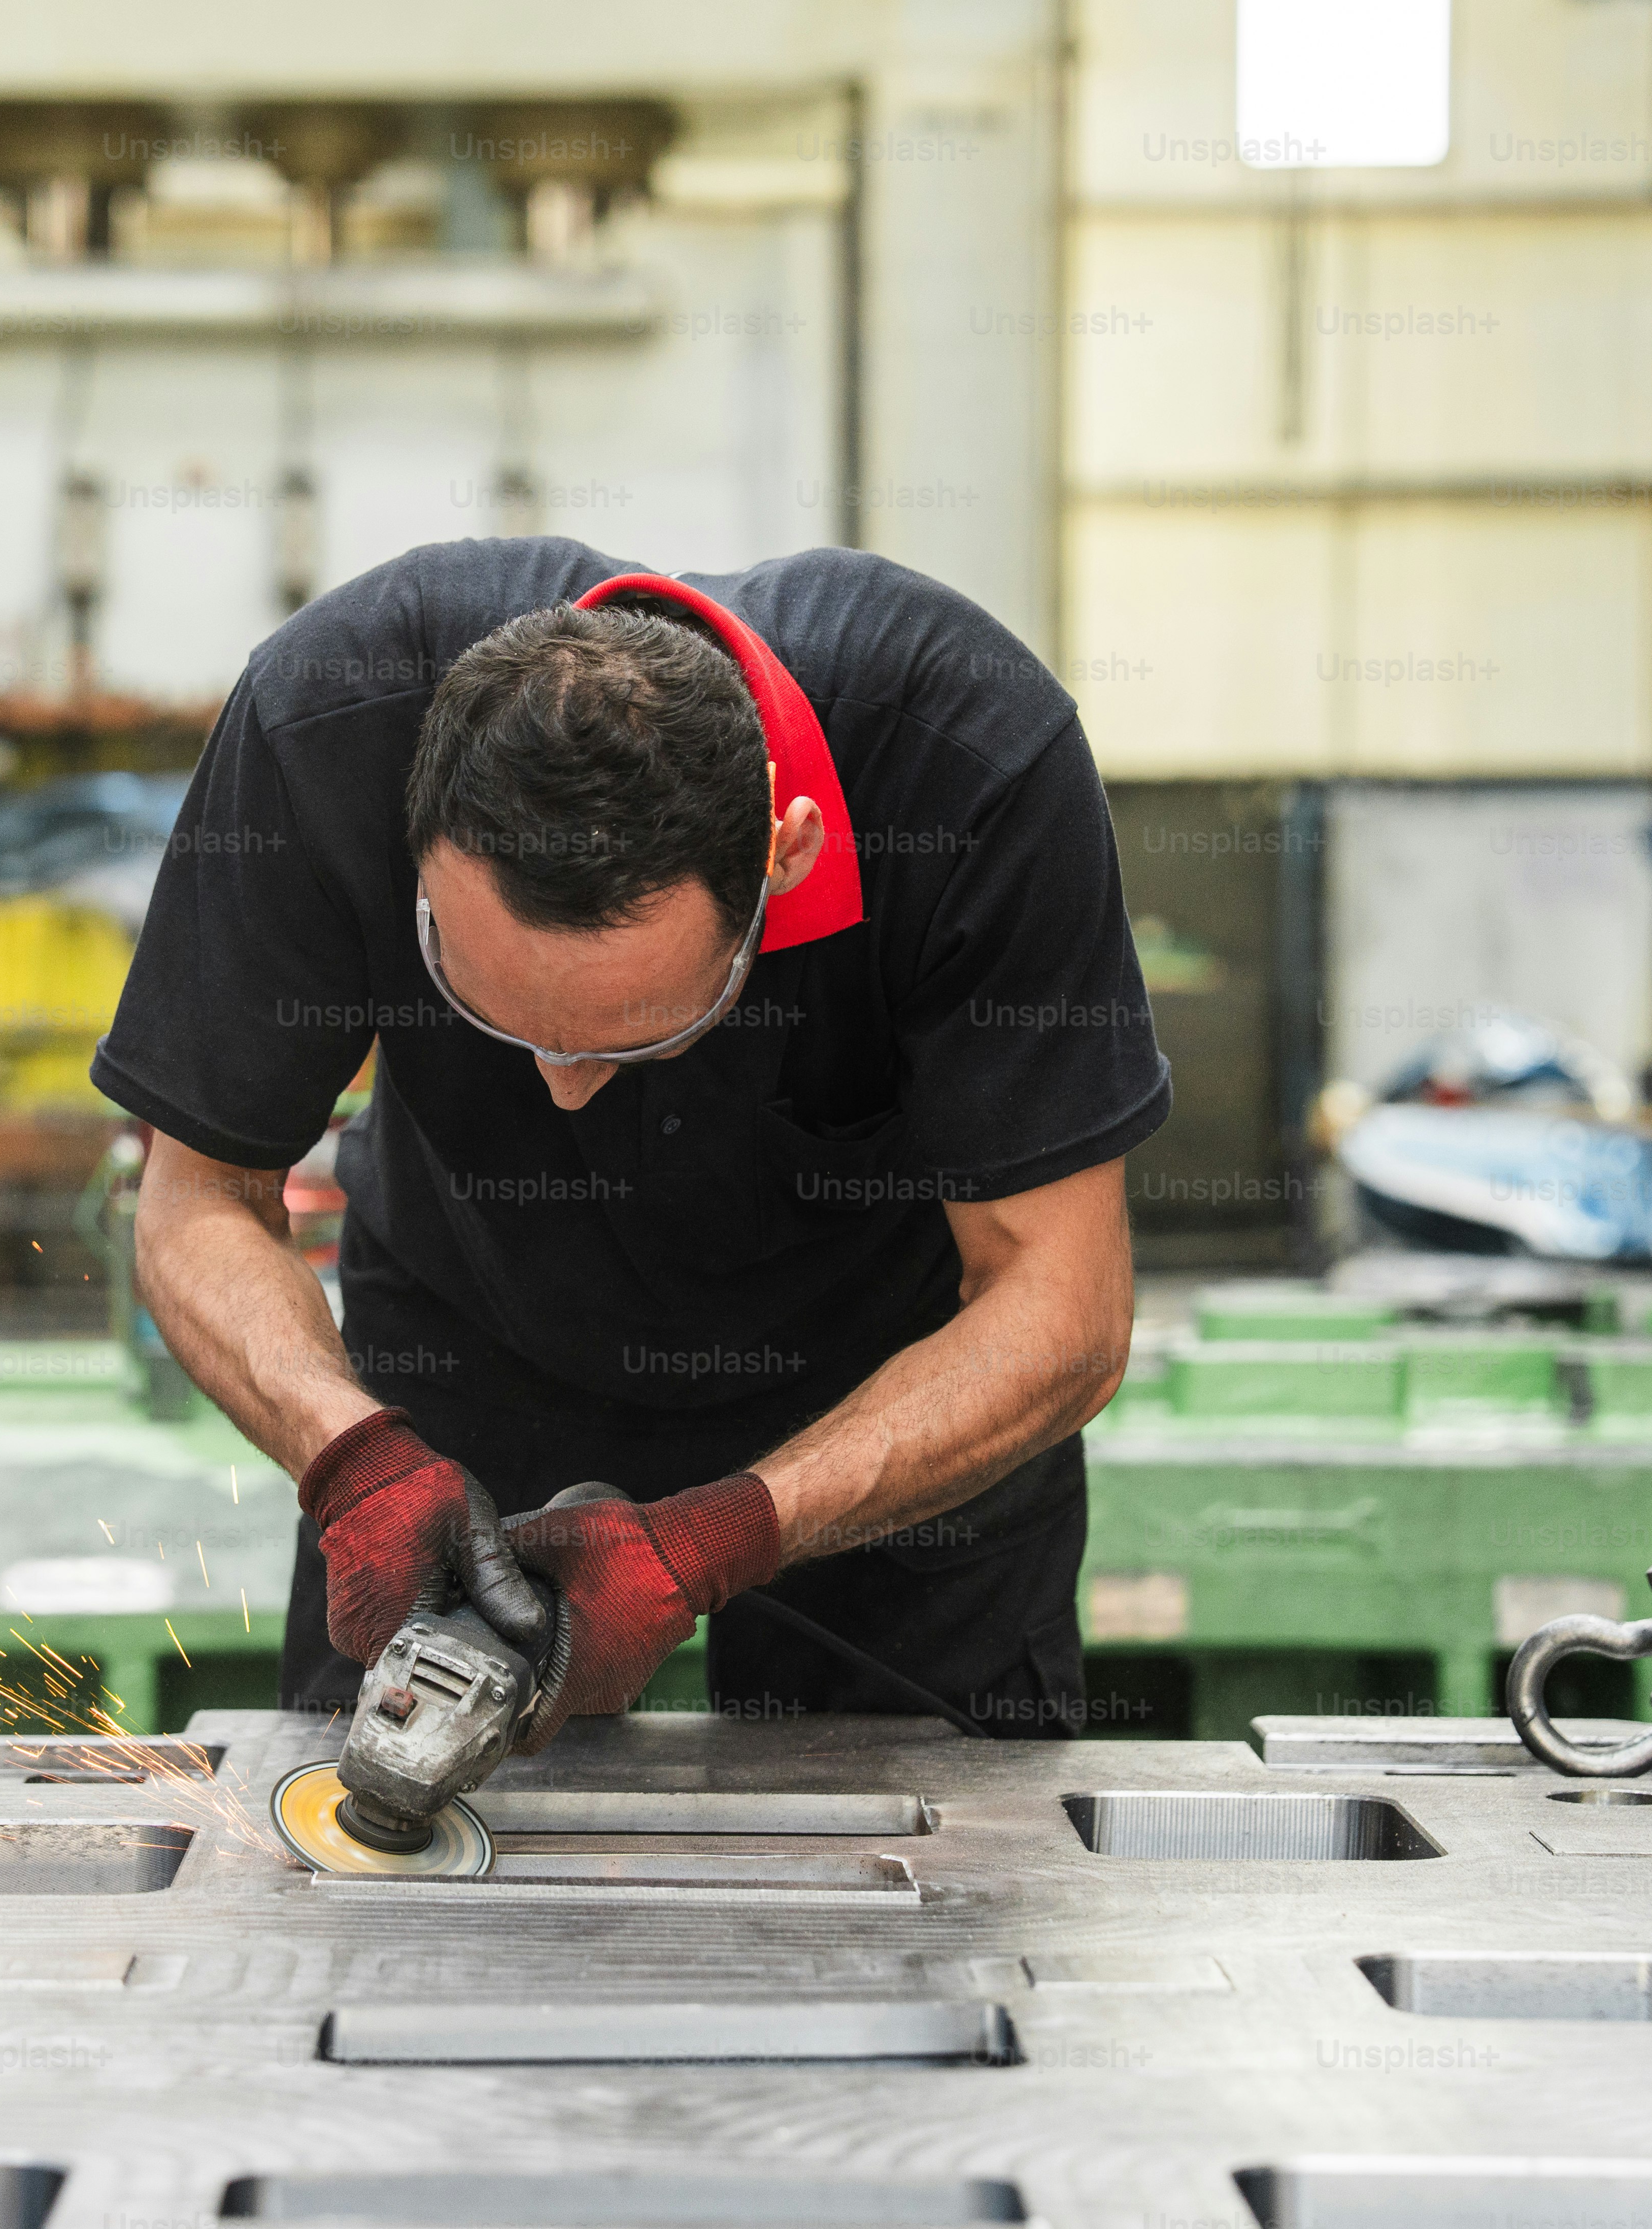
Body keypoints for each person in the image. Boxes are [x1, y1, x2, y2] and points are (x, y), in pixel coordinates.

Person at [93, 538, 1167, 1740]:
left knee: (943, 1879)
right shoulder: (327, 721)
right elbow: (196, 1203)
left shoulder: (969, 762)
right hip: (461, 1384)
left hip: (899, 1413)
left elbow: (1061, 1308)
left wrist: (722, 1534)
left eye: (649, 1030)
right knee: (383, 1875)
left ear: (785, 853)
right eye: (494, 1012)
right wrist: (353, 1463)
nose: (563, 1090)